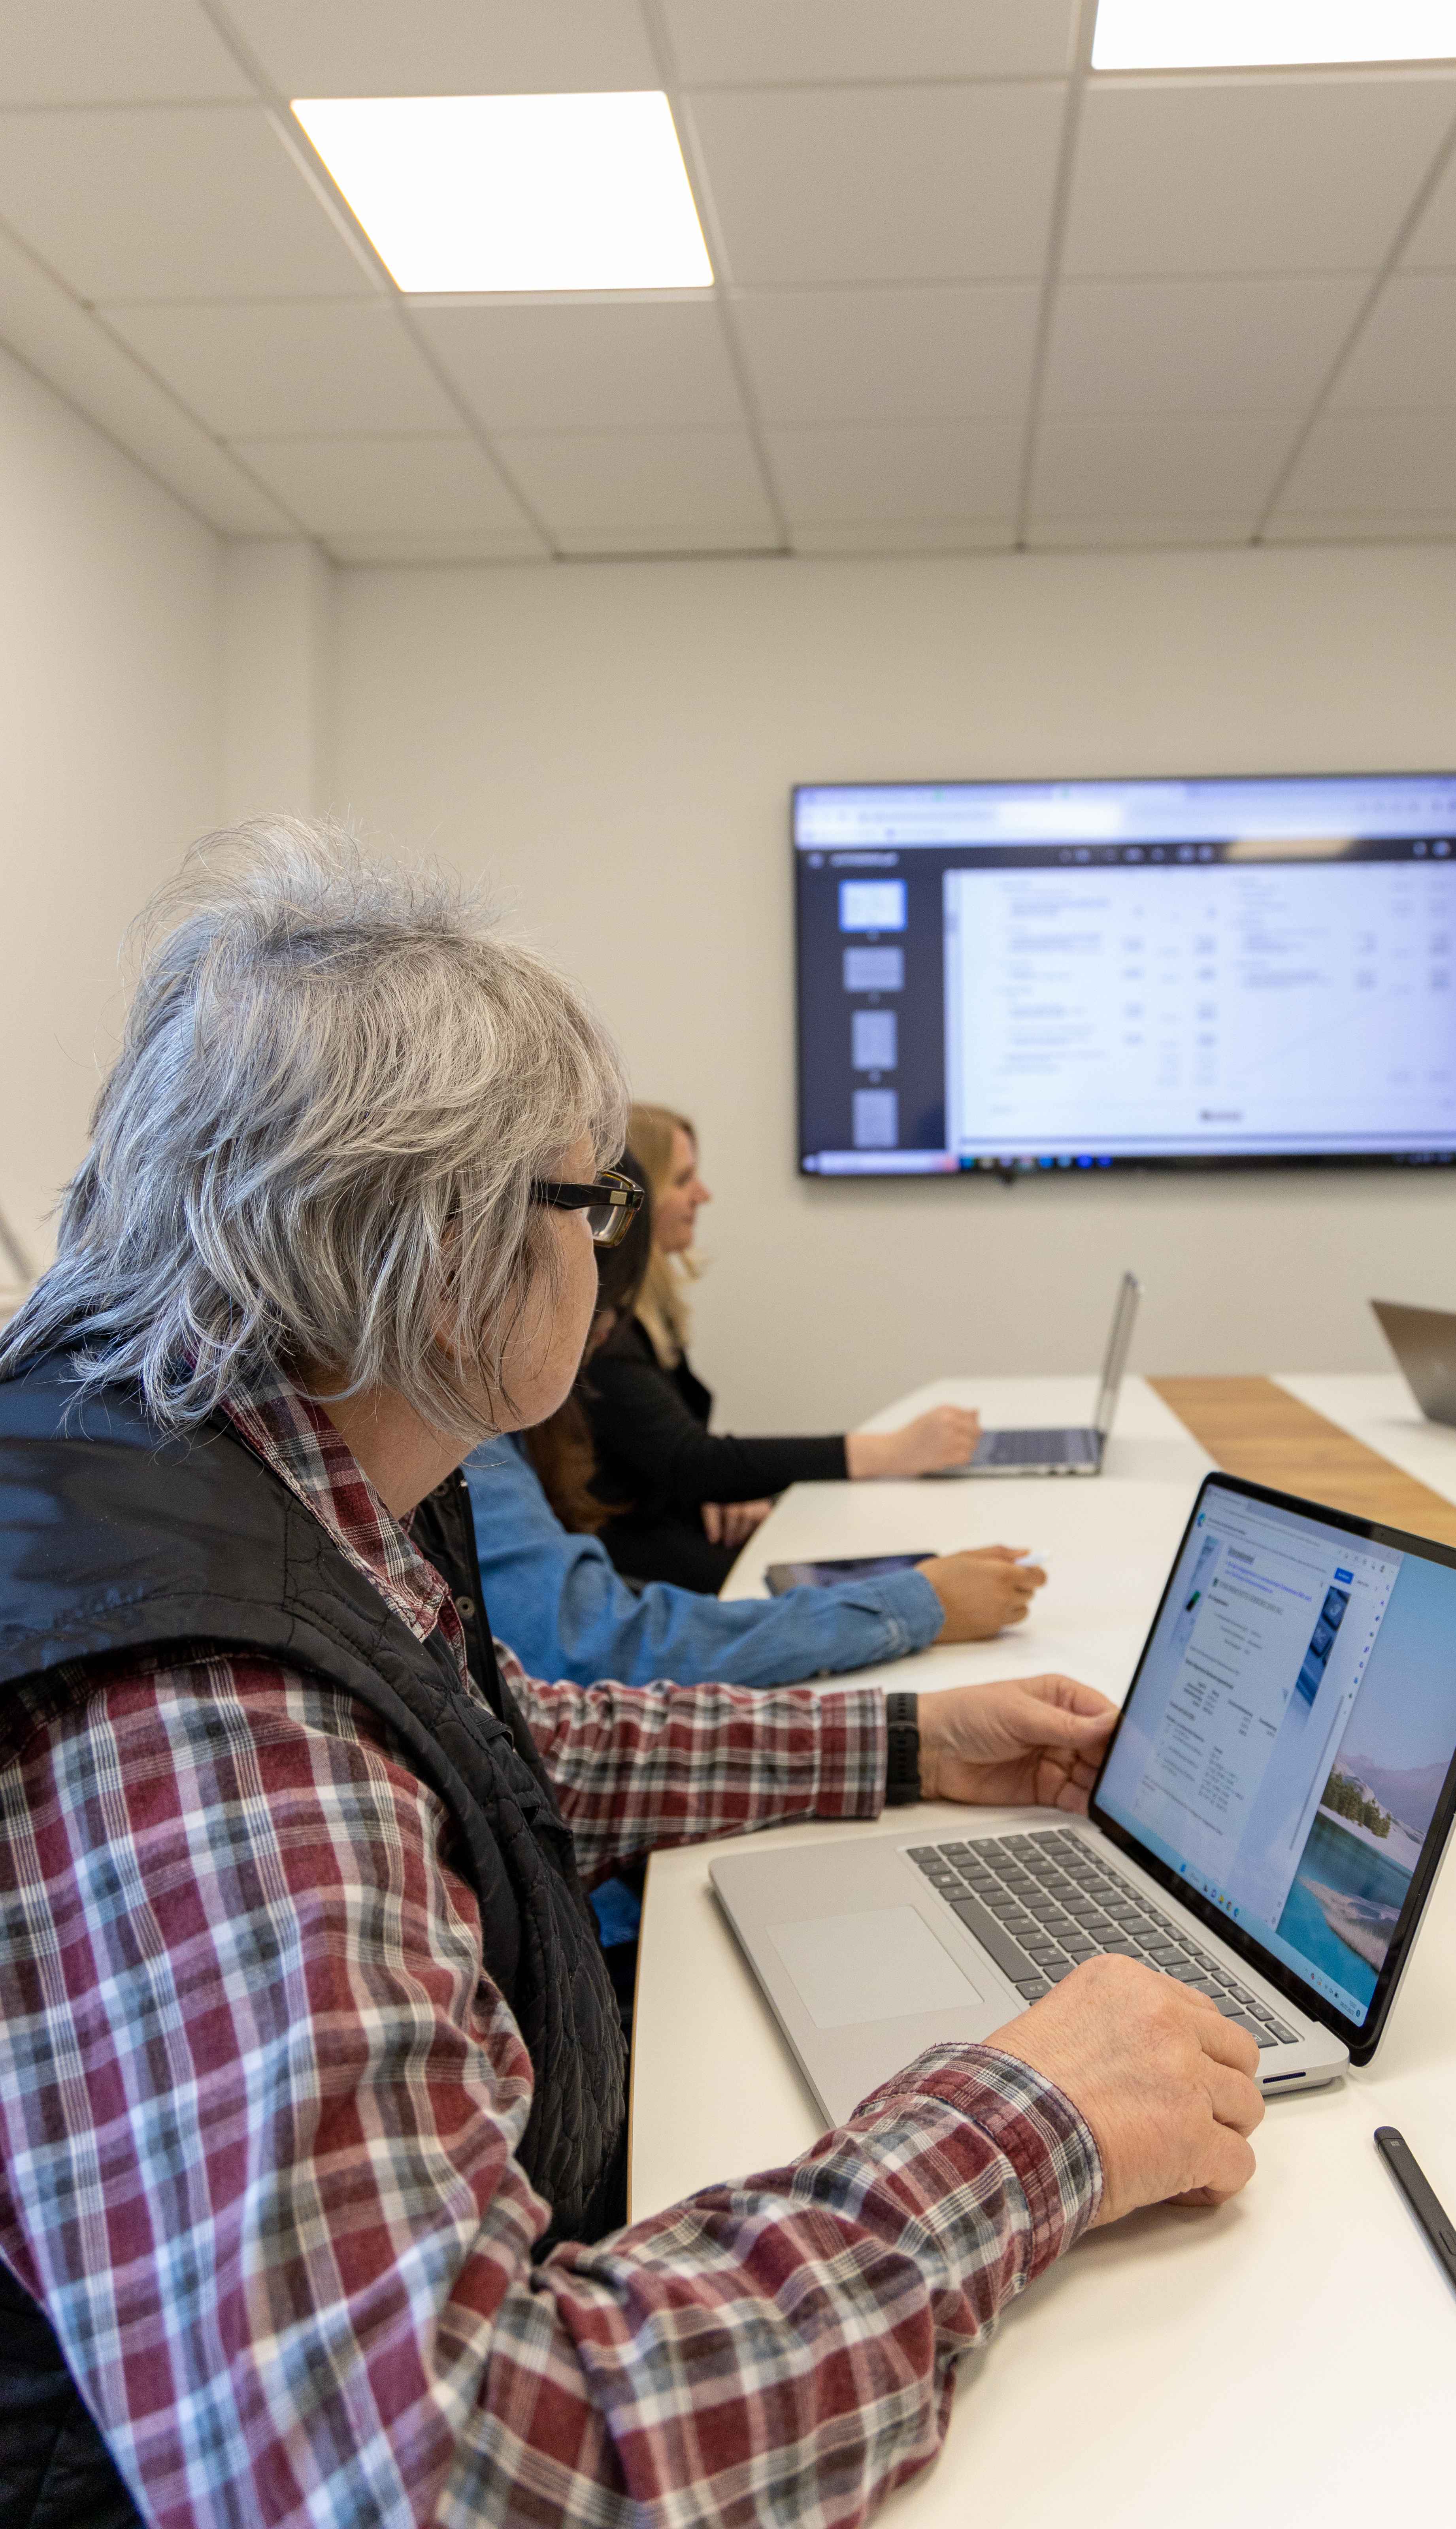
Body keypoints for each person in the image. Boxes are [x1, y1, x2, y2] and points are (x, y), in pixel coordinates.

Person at [0, 822, 1262, 2529]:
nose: (612, 1246)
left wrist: (901, 1740)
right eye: (592, 1196)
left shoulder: (195, 1458)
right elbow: (445, 2471)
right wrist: (1032, 2120)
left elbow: (486, 1749)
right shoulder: (207, 1712)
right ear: (450, 1249)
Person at [466, 1147, 1044, 1966]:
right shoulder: (469, 1453)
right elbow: (607, 1649)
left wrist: (918, 1743)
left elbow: (575, 1750)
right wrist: (914, 1608)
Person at [584, 1104, 983, 1589]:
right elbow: (690, 1461)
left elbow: (672, 1457)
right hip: (632, 1560)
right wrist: (889, 1451)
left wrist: (718, 1489)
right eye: (683, 1180)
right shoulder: (605, 1333)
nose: (703, 1195)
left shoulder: (646, 1316)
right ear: (637, 1198)